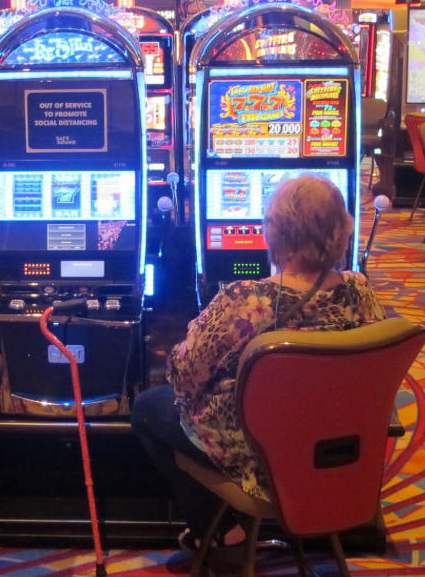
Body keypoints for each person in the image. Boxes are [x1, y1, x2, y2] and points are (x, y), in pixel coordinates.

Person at [131, 174, 385, 549]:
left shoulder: (247, 301)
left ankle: (218, 531)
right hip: (337, 447)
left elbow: (183, 376)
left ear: (273, 232)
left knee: (149, 407)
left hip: (260, 456)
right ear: (344, 230)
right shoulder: (360, 290)